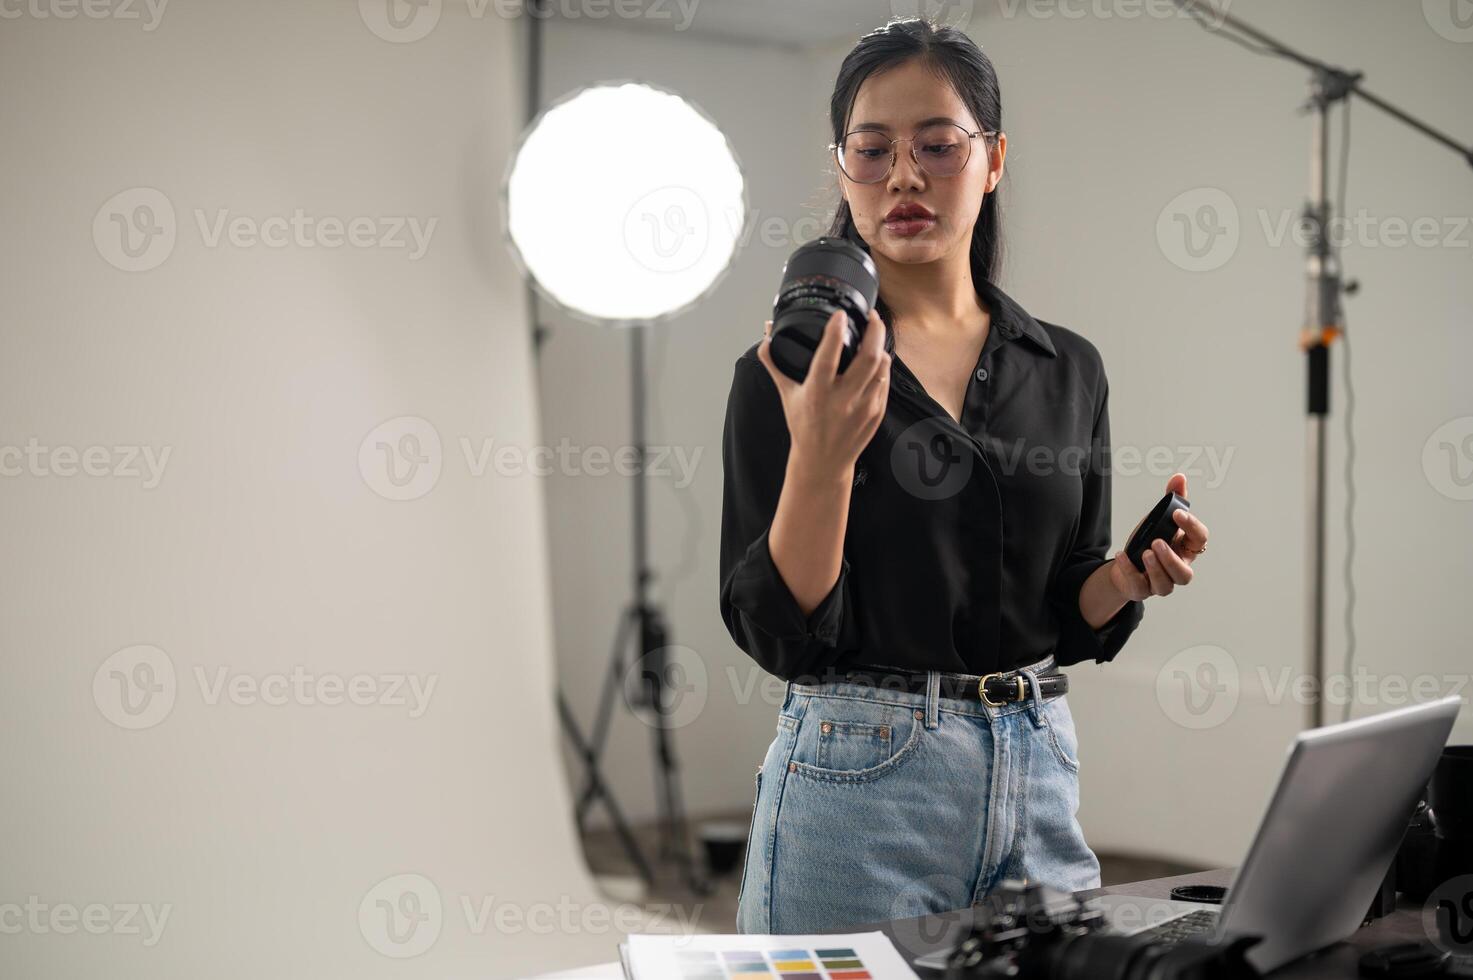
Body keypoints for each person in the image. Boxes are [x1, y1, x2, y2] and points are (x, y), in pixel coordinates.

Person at [718, 19, 1211, 935]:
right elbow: (783, 635)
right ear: (843, 171)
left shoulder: (1067, 368)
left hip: (1036, 768)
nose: (904, 175)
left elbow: (1061, 607)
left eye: (938, 145)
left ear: (991, 161)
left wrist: (1121, 581)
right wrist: (823, 457)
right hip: (856, 779)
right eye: (872, 151)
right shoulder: (787, 371)